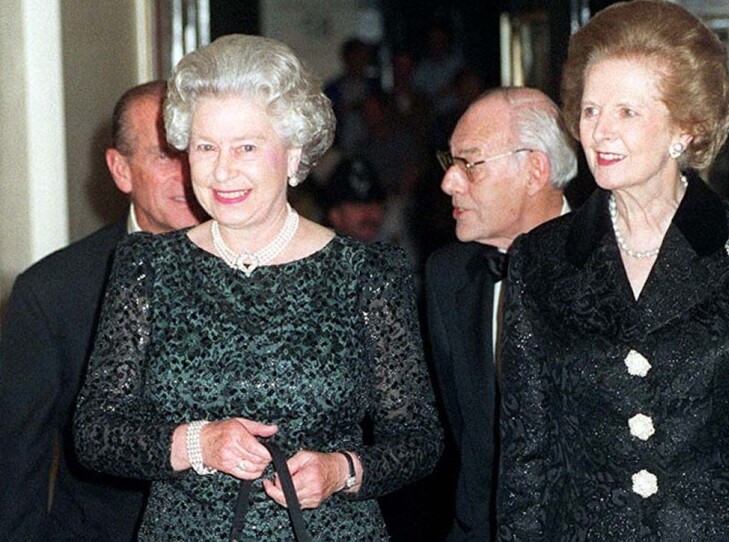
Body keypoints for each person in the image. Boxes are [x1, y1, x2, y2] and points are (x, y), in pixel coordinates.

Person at [73, 34, 441, 541]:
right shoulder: (146, 265)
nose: (222, 170)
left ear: (293, 155)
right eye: (205, 147)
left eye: (246, 146)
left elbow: (418, 436)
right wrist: (196, 444)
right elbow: (95, 432)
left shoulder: (368, 271)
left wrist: (343, 471)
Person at [496, 2, 729, 540]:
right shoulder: (540, 259)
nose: (600, 132)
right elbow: (526, 453)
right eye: (590, 111)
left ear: (685, 127)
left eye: (626, 112)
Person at [0, 80, 203, 541]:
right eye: (166, 156)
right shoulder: (53, 293)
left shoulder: (272, 269)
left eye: (200, 150)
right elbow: (15, 471)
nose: (190, 174)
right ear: (120, 169)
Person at [425, 86, 578, 542]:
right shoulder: (447, 275)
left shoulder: (613, 269)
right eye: (449, 162)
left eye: (469, 164)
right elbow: (465, 446)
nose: (449, 183)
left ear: (534, 169)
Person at [321, 156, 387, 243]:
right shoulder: (313, 251)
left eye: (375, 204)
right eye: (358, 206)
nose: (369, 213)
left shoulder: (395, 252)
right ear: (335, 214)